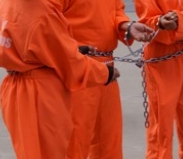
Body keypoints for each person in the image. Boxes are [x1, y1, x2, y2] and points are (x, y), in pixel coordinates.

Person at [0, 0, 121, 158]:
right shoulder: (43, 14)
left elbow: (33, 42)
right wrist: (105, 73)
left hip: (14, 86)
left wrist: (69, 48)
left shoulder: (5, 4)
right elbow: (70, 63)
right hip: (40, 93)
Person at [63, 1, 155, 158]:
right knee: (75, 143)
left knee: (108, 142)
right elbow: (48, 23)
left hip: (107, 71)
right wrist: (68, 51)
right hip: (76, 71)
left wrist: (126, 25)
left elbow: (116, 10)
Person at [134, 0, 183, 158]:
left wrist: (179, 19)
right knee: (162, 117)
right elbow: (146, 16)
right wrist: (158, 22)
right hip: (162, 54)